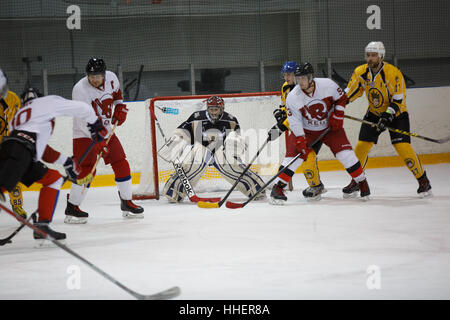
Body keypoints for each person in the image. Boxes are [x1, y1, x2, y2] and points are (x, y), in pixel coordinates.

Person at [0, 87, 107, 244]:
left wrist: (66, 162)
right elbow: (83, 108)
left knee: (53, 179)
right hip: (21, 151)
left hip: (14, 150)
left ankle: (42, 226)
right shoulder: (47, 102)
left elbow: (39, 149)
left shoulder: (18, 116)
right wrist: (95, 124)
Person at [269, 62, 370, 204]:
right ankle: (278, 188)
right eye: (298, 79)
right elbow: (295, 121)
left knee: (345, 155)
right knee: (293, 157)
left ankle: (362, 182)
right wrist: (300, 139)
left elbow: (341, 98)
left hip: (330, 128)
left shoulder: (327, 85)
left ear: (311, 77)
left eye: (303, 78)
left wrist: (338, 114)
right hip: (307, 130)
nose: (300, 82)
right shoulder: (293, 96)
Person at [344, 41, 432, 198]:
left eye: (373, 55)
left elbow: (398, 100)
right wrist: (338, 103)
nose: (370, 58)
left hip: (397, 115)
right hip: (373, 114)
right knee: (360, 148)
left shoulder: (393, 73)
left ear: (381, 56)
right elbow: (351, 91)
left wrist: (387, 116)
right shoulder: (361, 72)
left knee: (403, 147)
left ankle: (423, 181)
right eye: (368, 55)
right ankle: (357, 180)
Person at [65, 58, 144, 223]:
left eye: (97, 76)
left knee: (120, 162)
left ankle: (126, 202)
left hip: (107, 132)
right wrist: (97, 139)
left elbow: (117, 96)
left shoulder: (112, 78)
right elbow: (82, 119)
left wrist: (120, 107)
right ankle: (72, 207)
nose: (94, 79)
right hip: (84, 135)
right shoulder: (80, 89)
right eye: (91, 76)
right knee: (87, 170)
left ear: (104, 75)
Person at [159, 95, 265, 203]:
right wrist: (173, 144)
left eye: (216, 109)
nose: (213, 112)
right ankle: (173, 193)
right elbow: (183, 131)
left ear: (222, 108)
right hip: (200, 150)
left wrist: (234, 151)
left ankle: (256, 189)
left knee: (233, 167)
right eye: (211, 109)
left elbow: (237, 138)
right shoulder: (196, 117)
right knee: (192, 168)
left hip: (220, 152)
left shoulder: (230, 120)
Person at [272, 61, 327, 200]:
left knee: (307, 158)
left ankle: (315, 185)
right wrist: (280, 112)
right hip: (297, 130)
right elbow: (284, 105)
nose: (287, 78)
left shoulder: (303, 90)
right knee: (292, 159)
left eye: (289, 75)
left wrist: (282, 124)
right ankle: (278, 188)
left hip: (312, 129)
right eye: (284, 75)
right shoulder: (285, 87)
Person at [0, 69, 28, 218]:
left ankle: (17, 206)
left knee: (13, 177)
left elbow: (17, 122)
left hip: (8, 145)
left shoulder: (13, 98)